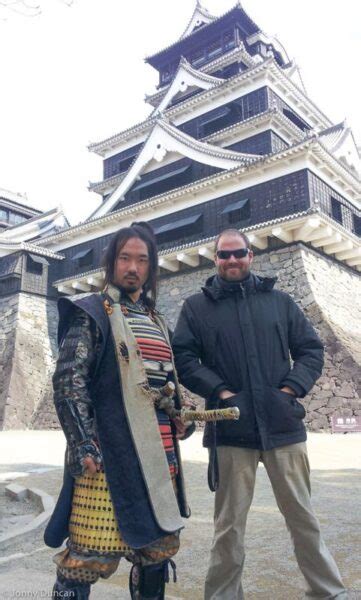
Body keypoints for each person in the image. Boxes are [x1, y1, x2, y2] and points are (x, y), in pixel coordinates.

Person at [172, 228, 347, 600]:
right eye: (224, 255)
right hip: (231, 430)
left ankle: (327, 591)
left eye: (239, 253)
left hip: (283, 427)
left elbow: (310, 350)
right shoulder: (196, 309)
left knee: (303, 519)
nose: (232, 260)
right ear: (215, 259)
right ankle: (223, 596)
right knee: (228, 528)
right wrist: (221, 392)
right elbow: (183, 359)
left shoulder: (280, 302)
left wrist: (289, 391)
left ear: (251, 256)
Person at [44, 222, 194, 600]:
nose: (133, 267)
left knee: (155, 554)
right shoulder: (90, 313)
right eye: (125, 258)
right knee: (85, 561)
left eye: (141, 260)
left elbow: (166, 386)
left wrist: (180, 416)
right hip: (108, 457)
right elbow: (68, 383)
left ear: (150, 267)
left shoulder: (157, 321)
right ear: (112, 263)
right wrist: (82, 445)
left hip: (159, 460)